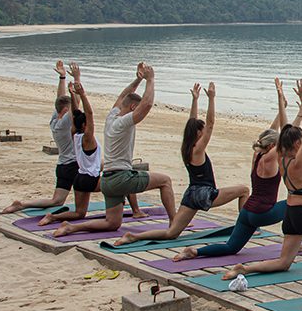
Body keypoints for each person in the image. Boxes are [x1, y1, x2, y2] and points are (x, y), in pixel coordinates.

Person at [221, 79, 302, 280]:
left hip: (291, 217)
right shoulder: (299, 164)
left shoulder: (282, 159)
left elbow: (285, 130)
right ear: (298, 143)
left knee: (283, 263)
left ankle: (245, 269)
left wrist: (282, 102)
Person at [112, 81, 249, 245]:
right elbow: (211, 124)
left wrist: (195, 100)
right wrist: (212, 98)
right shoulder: (198, 149)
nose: (205, 131)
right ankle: (246, 229)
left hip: (191, 194)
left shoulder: (187, 147)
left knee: (172, 233)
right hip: (205, 194)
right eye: (202, 130)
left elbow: (191, 123)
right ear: (198, 133)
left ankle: (133, 236)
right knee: (244, 190)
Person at [170, 78, 290, 261]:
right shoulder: (269, 158)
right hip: (260, 213)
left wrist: (195, 100)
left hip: (246, 212)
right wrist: (281, 102)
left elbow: (271, 132)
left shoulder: (256, 155)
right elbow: (284, 134)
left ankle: (195, 252)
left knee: (231, 247)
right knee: (296, 203)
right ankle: (298, 243)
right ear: (273, 145)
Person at [53, 63, 177, 237]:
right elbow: (147, 105)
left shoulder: (111, 117)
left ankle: (71, 227)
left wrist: (138, 79)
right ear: (133, 107)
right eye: (136, 106)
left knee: (112, 223)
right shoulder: (122, 122)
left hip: (108, 181)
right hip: (121, 178)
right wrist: (150, 79)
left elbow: (123, 96)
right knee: (165, 181)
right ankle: (175, 223)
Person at [36, 63, 145, 225]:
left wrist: (73, 93)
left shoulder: (74, 134)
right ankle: (136, 211)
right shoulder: (88, 137)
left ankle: (54, 217)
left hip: (79, 177)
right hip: (89, 178)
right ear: (86, 126)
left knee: (79, 213)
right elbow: (89, 112)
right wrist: (82, 94)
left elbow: (73, 110)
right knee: (122, 181)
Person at [0, 60, 80, 214]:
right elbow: (76, 103)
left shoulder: (55, 120)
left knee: (56, 200)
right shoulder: (64, 124)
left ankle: (22, 204)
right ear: (65, 110)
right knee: (99, 170)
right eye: (69, 109)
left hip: (63, 165)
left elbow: (60, 99)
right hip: (73, 165)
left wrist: (62, 78)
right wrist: (76, 80)